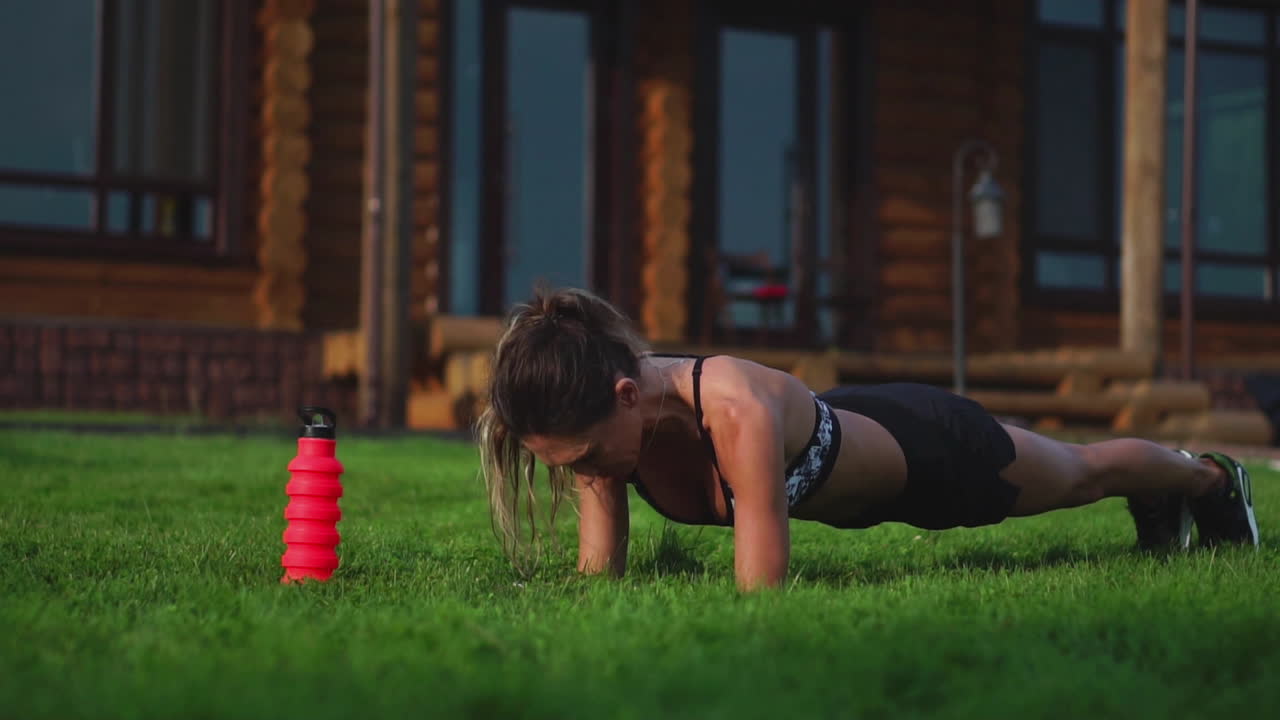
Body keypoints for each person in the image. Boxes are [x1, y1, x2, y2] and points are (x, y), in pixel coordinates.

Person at [476, 288, 1259, 591]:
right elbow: (595, 581)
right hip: (847, 425)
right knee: (1080, 474)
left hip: (928, 452)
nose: (585, 475)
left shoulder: (734, 410)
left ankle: (1207, 483)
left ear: (623, 396)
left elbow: (760, 598)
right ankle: (1169, 500)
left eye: (580, 461)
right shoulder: (596, 419)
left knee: (1082, 473)